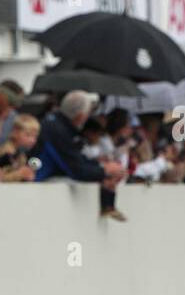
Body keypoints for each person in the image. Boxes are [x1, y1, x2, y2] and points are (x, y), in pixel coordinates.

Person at [32, 90, 127, 221]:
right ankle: (107, 205)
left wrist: (101, 167)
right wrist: (104, 171)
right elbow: (74, 169)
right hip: (41, 179)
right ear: (81, 116)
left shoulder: (59, 125)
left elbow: (76, 160)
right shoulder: (57, 130)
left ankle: (108, 206)